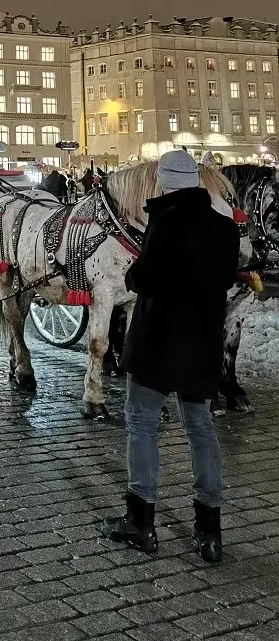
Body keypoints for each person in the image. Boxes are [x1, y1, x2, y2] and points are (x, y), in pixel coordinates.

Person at [102, 150, 240, 563]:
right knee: (200, 429)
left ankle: (141, 522)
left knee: (142, 423)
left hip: (158, 344)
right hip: (201, 344)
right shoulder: (225, 227)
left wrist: (132, 273)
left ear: (163, 181)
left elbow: (146, 278)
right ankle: (209, 531)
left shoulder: (164, 221)